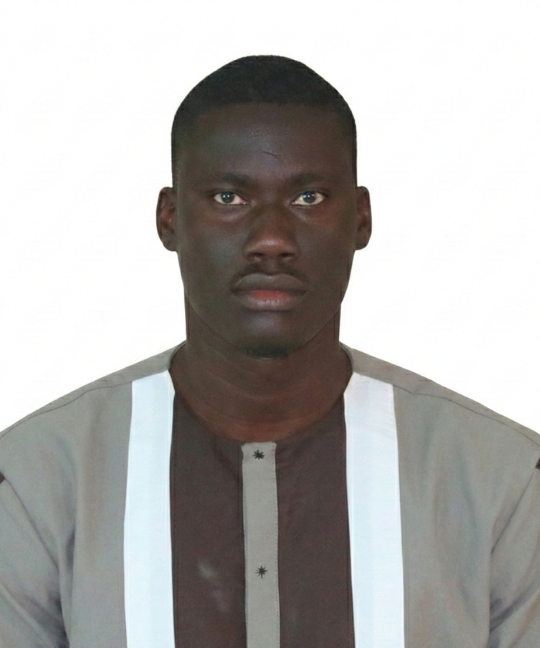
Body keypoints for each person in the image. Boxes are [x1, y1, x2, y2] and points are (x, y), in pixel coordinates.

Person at [0, 55, 539, 648]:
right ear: (170, 219)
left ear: (360, 218)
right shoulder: (40, 477)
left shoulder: (500, 480)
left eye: (309, 197)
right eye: (229, 197)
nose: (272, 240)